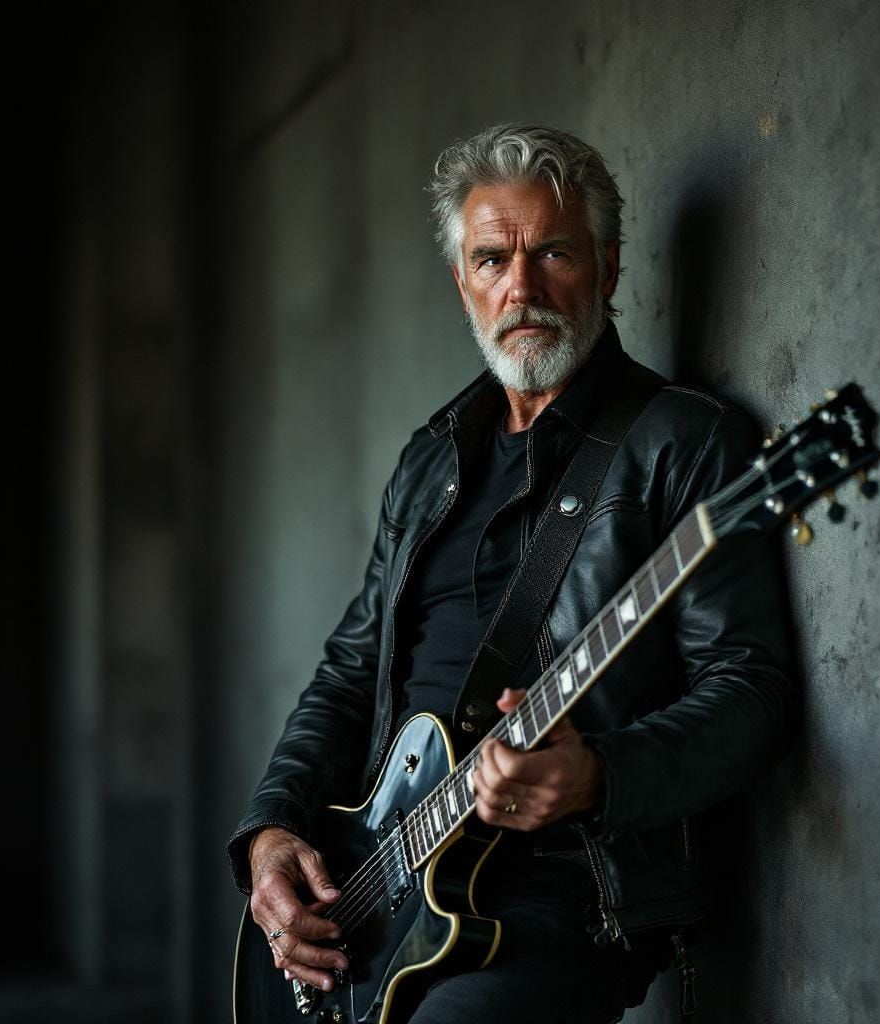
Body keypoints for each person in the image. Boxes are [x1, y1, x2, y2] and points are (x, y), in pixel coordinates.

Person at [227, 123, 796, 1022]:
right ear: (464, 284)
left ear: (608, 268)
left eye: (555, 252)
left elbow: (752, 691)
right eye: (492, 259)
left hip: (564, 897)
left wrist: (600, 774)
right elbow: (348, 671)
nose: (521, 288)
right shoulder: (430, 461)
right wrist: (270, 833)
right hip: (380, 885)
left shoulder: (685, 443)